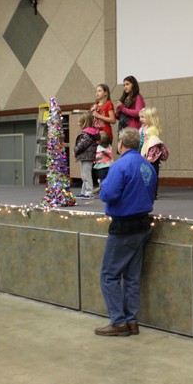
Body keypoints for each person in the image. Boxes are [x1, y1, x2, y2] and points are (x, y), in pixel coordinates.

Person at [95, 127, 157, 337]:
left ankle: (119, 321)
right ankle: (131, 321)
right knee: (131, 276)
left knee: (109, 275)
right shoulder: (147, 166)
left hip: (123, 227)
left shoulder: (120, 165)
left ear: (121, 144)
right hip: (143, 225)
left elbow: (108, 194)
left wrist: (103, 187)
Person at [139, 106, 167, 198]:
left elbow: (154, 143)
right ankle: (148, 192)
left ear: (151, 118)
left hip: (152, 155)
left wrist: (151, 155)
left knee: (153, 173)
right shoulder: (144, 128)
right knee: (146, 173)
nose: (141, 119)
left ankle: (153, 193)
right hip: (146, 153)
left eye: (143, 117)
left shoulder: (152, 130)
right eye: (140, 117)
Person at [73, 112, 98, 199]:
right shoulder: (88, 133)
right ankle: (84, 192)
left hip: (87, 156)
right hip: (84, 156)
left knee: (86, 174)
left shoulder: (87, 134)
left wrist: (75, 150)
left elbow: (82, 145)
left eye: (80, 122)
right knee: (84, 175)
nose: (78, 124)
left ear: (85, 123)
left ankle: (89, 192)